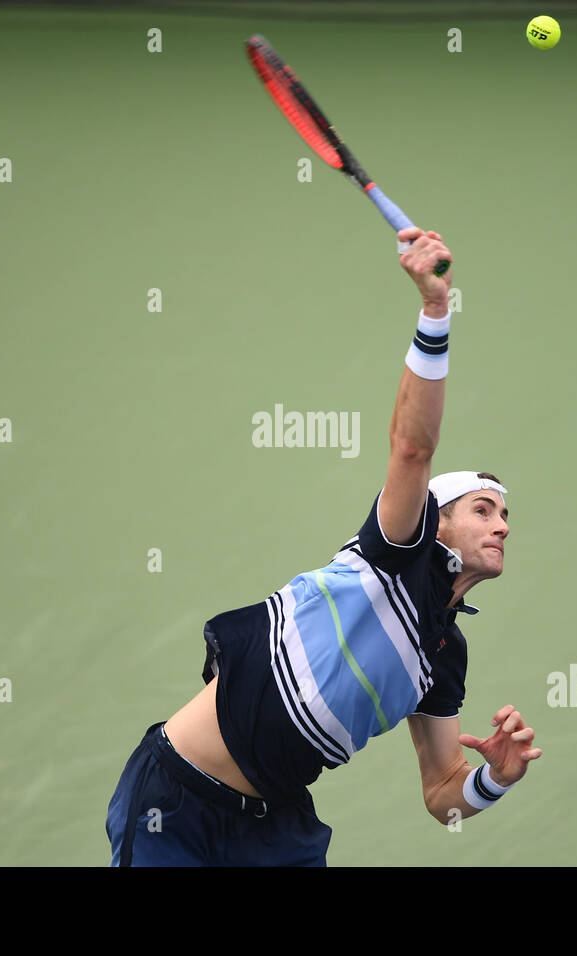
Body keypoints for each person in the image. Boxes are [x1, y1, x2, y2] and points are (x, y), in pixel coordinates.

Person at [106, 226, 542, 866]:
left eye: (505, 514)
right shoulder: (397, 550)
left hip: (277, 831)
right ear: (435, 521)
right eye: (482, 509)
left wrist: (494, 781)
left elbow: (443, 794)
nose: (501, 525)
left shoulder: (442, 658)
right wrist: (434, 311)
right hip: (176, 802)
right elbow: (412, 447)